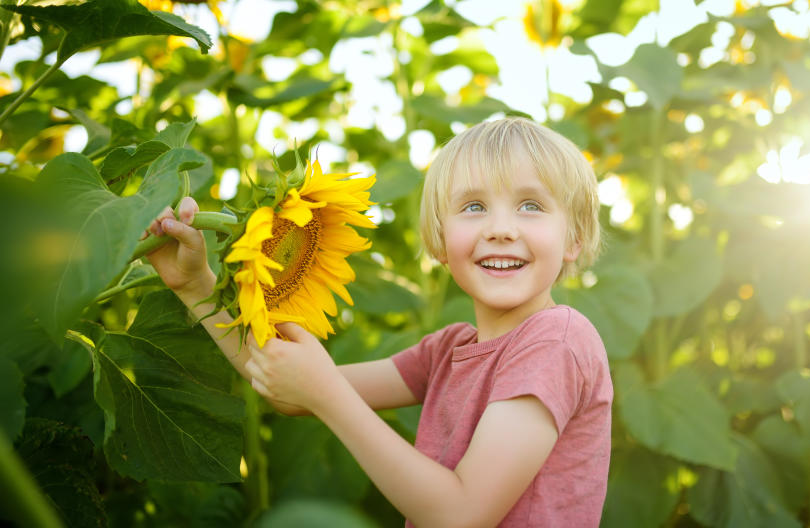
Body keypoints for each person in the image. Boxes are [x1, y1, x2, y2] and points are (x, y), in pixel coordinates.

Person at [146, 117, 612, 527]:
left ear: (572, 238)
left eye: (531, 206)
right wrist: (196, 286)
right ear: (439, 241)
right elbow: (284, 382)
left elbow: (462, 514)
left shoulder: (556, 341)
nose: (501, 228)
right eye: (473, 207)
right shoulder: (446, 351)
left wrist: (326, 393)